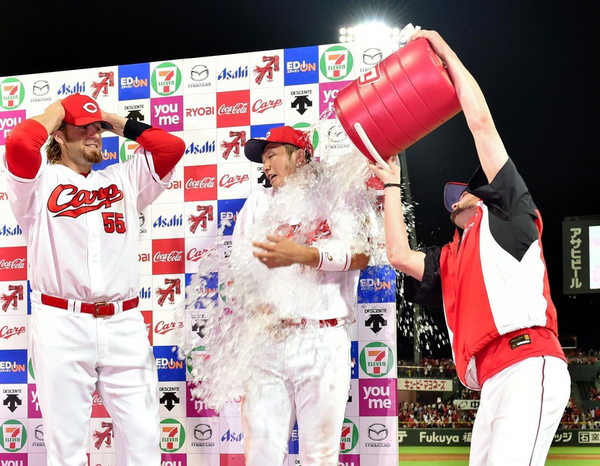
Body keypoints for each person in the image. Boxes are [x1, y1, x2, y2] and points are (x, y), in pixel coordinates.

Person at [369, 30, 570, 465]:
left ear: (485, 196)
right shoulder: (451, 255)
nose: (457, 198)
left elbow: (480, 122)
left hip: (527, 360)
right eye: (451, 197)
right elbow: (399, 255)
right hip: (492, 379)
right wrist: (389, 182)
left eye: (465, 191)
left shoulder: (509, 215)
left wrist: (443, 50)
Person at [3, 93, 185, 466]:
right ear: (58, 135)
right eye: (82, 129)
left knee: (144, 441)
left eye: (97, 129)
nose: (94, 135)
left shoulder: (122, 177)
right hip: (62, 323)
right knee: (66, 449)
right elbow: (21, 142)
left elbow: (171, 148)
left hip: (124, 324)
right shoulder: (38, 183)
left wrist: (110, 119)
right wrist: (56, 113)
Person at [234, 126, 370, 465]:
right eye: (263, 159)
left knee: (320, 456)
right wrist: (256, 306)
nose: (266, 166)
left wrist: (303, 255)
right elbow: (238, 272)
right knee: (260, 456)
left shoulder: (335, 197)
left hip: (321, 339)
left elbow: (361, 254)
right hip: (268, 341)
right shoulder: (257, 204)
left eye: (272, 155)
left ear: (301, 155)